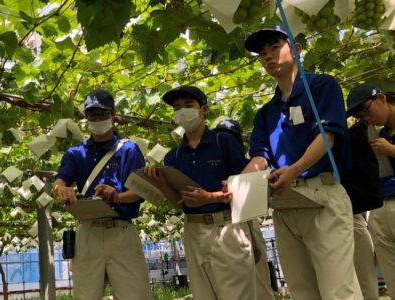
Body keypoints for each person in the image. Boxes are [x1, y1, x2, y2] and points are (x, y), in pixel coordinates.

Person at [243, 26, 360, 299]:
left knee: (337, 291)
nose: (269, 56)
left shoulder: (321, 86)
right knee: (303, 291)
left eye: (275, 47)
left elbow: (327, 137)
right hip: (285, 205)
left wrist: (294, 168)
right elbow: (260, 158)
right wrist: (241, 182)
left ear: (296, 49)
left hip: (323, 198)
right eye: (262, 53)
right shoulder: (266, 113)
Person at [143, 86, 272, 299]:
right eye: (177, 108)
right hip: (193, 230)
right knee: (203, 293)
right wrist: (161, 183)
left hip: (227, 227)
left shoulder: (224, 142)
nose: (182, 111)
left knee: (237, 294)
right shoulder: (174, 157)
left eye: (188, 105)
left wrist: (212, 197)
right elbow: (181, 204)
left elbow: (250, 187)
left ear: (203, 110)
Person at [52, 89, 152, 300]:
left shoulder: (129, 150)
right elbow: (60, 180)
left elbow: (140, 192)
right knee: (85, 295)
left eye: (102, 114)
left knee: (135, 295)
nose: (97, 119)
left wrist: (117, 196)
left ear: (113, 114)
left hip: (121, 231)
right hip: (88, 233)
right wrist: (62, 189)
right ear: (85, 117)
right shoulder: (75, 153)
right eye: (92, 115)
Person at [213, 118, 275, 299]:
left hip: (243, 221)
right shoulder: (220, 158)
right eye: (223, 137)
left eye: (231, 138)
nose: (227, 141)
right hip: (231, 223)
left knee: (257, 276)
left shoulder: (247, 164)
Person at [346, 83, 395, 297]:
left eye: (366, 109)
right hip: (381, 207)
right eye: (360, 115)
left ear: (381, 98)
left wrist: (392, 150)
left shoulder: (383, 141)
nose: (366, 117)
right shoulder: (374, 134)